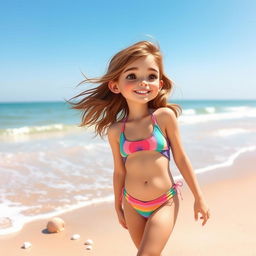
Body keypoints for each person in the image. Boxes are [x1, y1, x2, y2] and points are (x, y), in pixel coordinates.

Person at [68, 40, 210, 255]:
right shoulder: (116, 130)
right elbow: (119, 171)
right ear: (115, 85)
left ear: (160, 84)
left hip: (164, 202)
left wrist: (199, 197)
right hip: (132, 204)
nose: (143, 82)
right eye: (132, 76)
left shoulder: (163, 117)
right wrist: (117, 205)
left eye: (151, 76)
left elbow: (181, 158)